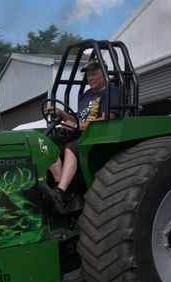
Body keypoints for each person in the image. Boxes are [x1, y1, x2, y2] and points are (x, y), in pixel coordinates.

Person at [43, 58, 120, 214]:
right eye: (88, 74)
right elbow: (79, 119)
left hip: (98, 136)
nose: (90, 77)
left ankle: (61, 192)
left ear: (104, 73)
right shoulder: (86, 95)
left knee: (71, 148)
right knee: (45, 143)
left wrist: (77, 126)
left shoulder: (112, 92)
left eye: (94, 73)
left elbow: (108, 118)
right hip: (80, 133)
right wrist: (62, 114)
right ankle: (64, 189)